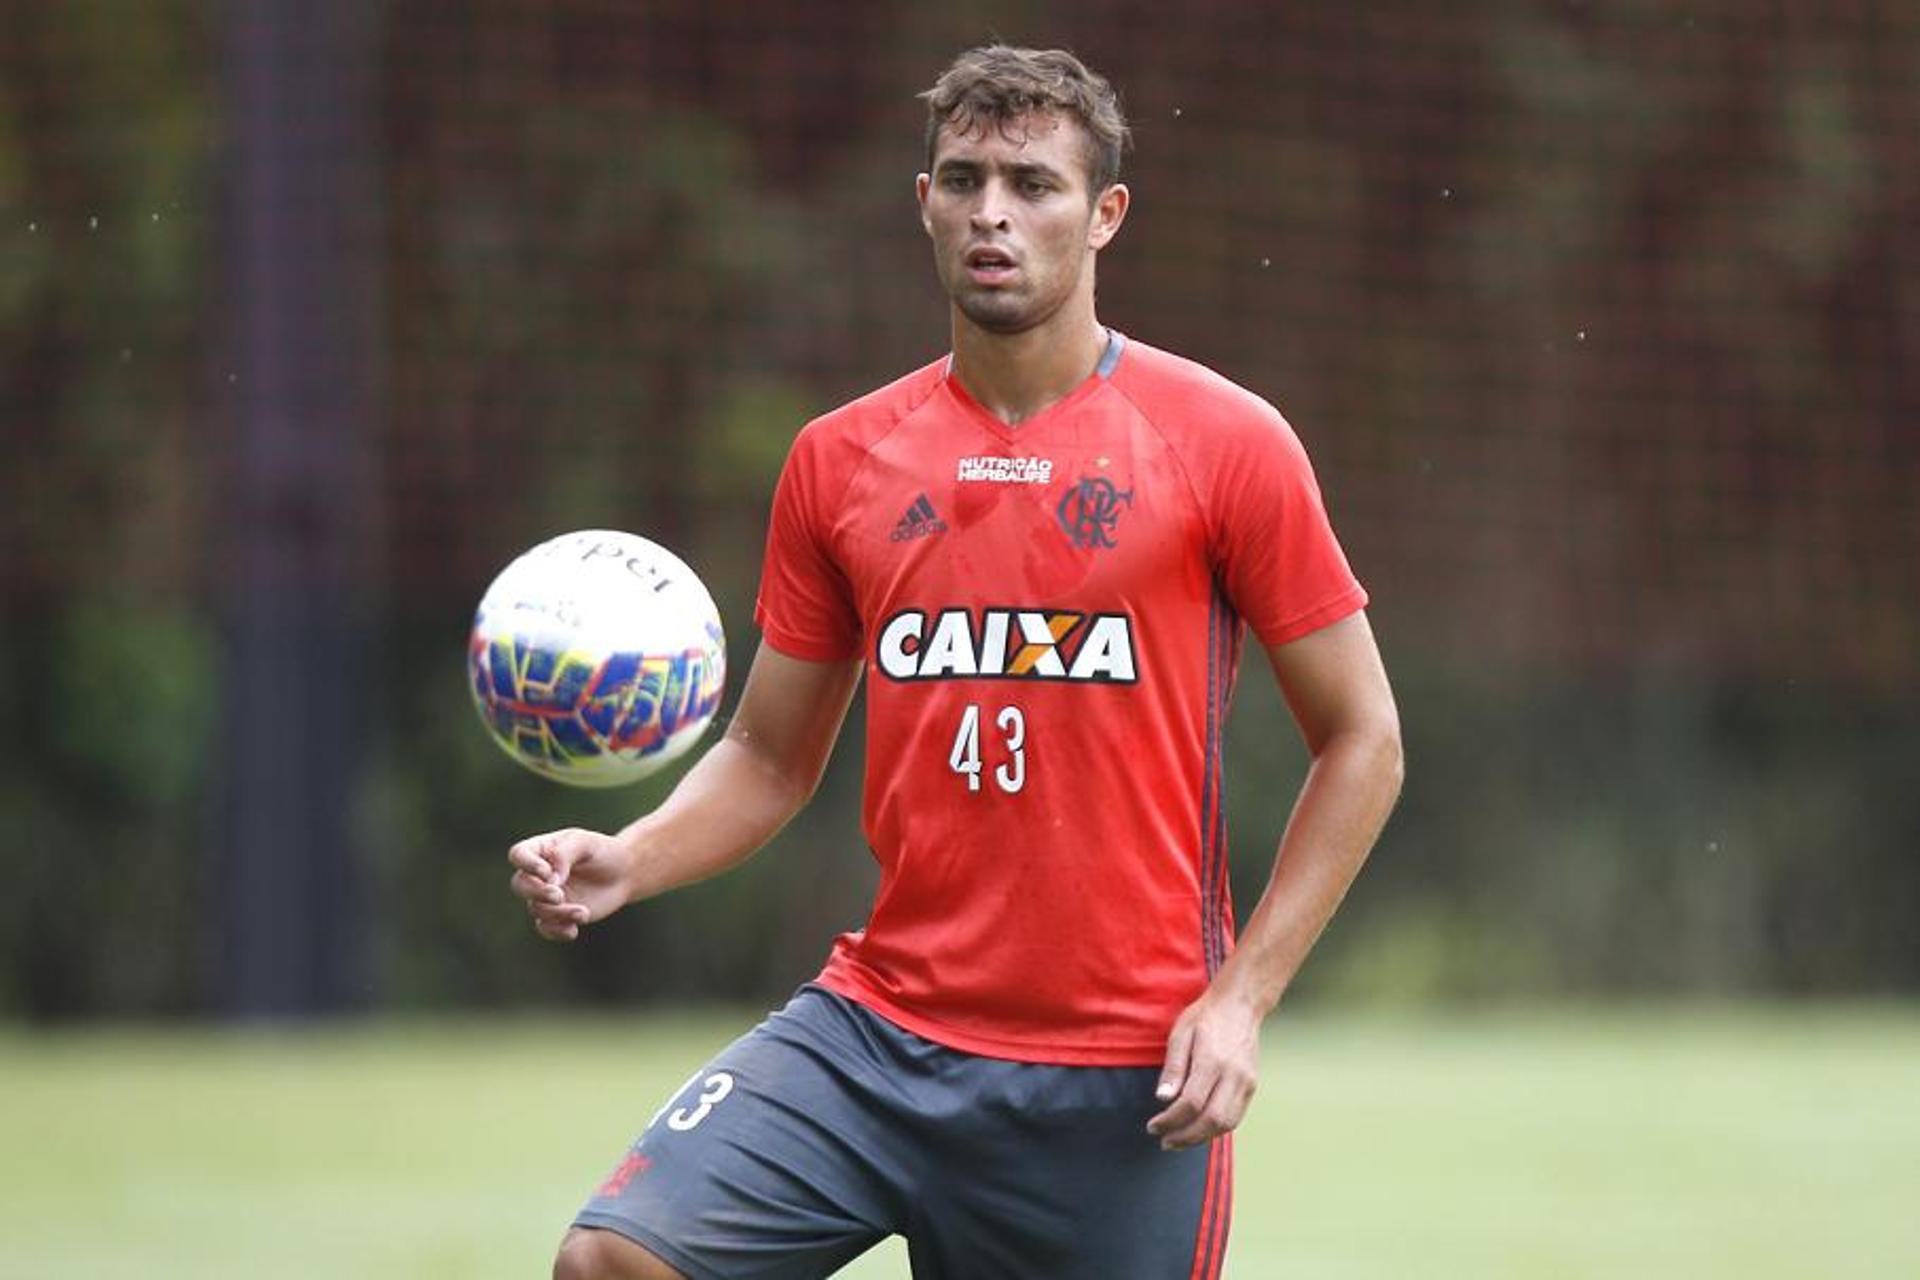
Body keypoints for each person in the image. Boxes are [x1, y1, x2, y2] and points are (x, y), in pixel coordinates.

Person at [510, 44, 1403, 1280]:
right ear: (922, 201)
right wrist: (634, 854)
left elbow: (1364, 737)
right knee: (614, 1260)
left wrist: (1241, 996)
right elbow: (770, 753)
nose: (992, 211)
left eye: (1033, 184)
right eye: (963, 178)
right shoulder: (841, 459)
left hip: (1119, 1075)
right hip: (879, 1033)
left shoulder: (1225, 443)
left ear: (1105, 216)